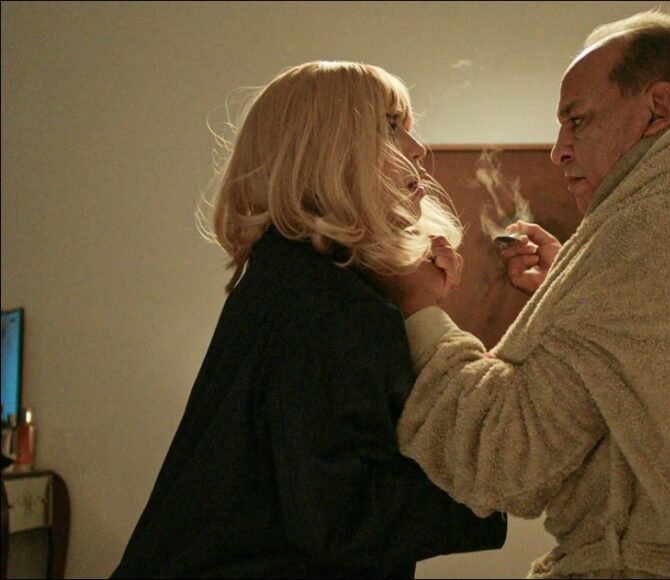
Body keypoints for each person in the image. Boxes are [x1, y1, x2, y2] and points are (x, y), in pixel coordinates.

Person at [380, 10, 670, 579]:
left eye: (576, 120)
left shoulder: (634, 242)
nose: (559, 150)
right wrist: (565, 292)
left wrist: (419, 308)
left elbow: (502, 459)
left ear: (659, 108)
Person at [111, 61, 505, 579]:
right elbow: (343, 516)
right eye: (390, 127)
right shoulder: (333, 307)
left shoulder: (289, 279)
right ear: (327, 155)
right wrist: (496, 485)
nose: (417, 149)